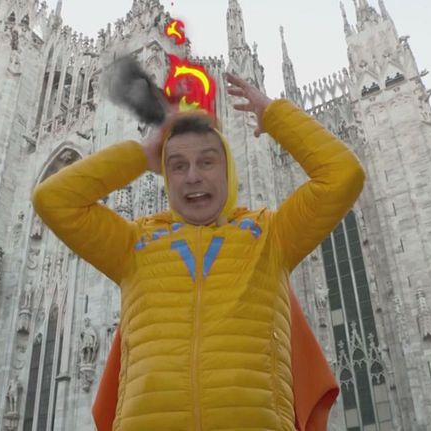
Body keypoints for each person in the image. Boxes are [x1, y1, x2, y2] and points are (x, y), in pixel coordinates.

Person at [32, 73, 365, 431]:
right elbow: (53, 199)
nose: (192, 176)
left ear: (228, 170)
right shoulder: (134, 244)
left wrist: (274, 116)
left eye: (207, 162)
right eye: (178, 165)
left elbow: (342, 175)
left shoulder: (271, 236)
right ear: (165, 176)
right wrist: (142, 154)